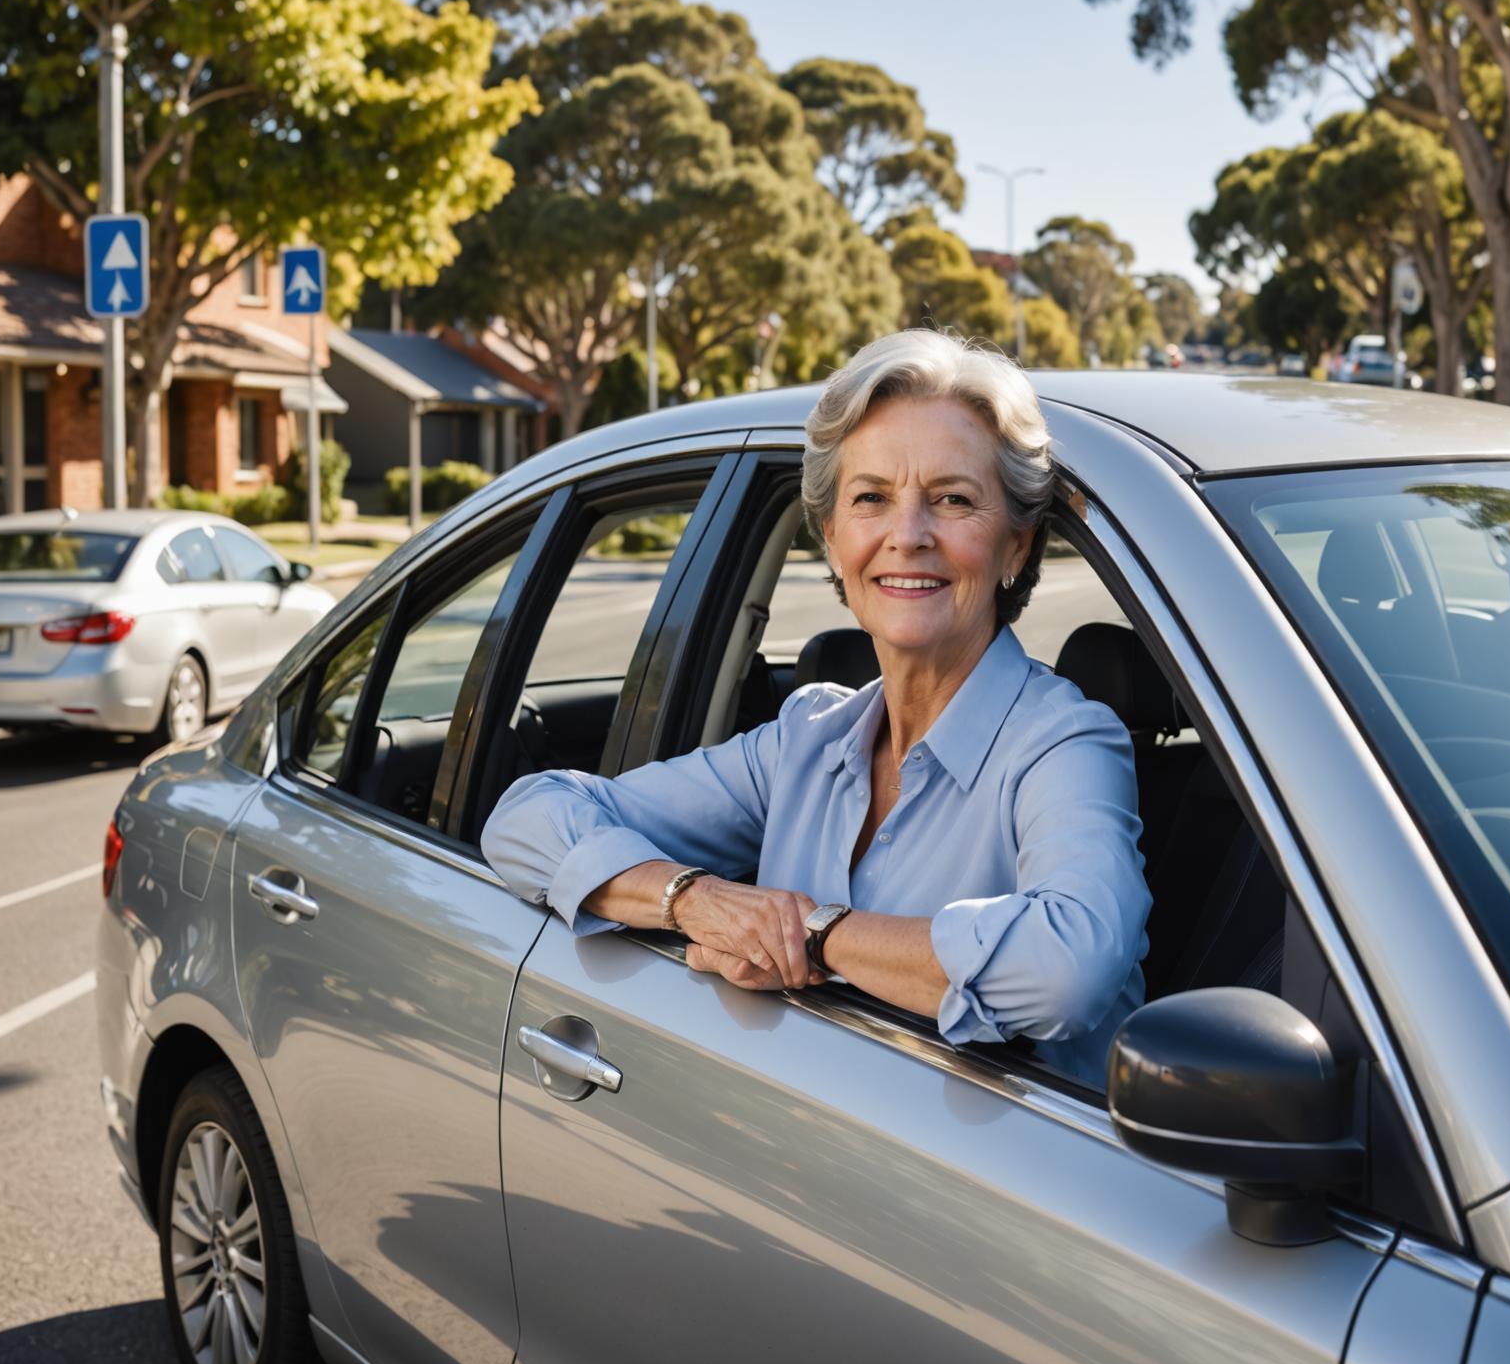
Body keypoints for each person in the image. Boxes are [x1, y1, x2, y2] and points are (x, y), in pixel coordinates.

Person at [482, 327, 1149, 1084]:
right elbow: (526, 818)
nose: (908, 535)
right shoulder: (807, 738)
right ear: (833, 540)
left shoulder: (1066, 744)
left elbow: (1067, 969)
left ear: (1017, 546)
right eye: (871, 499)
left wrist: (813, 934)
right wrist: (694, 899)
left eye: (952, 499)